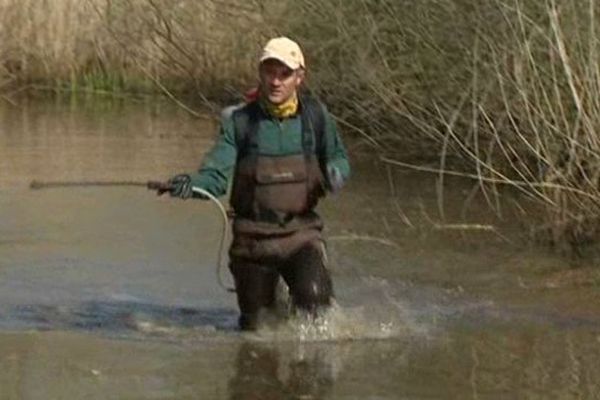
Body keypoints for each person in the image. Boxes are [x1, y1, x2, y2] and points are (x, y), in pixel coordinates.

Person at [167, 37, 350, 330]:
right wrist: (192, 184)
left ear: (299, 77)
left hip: (301, 236)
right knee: (257, 329)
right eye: (269, 72)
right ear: (260, 74)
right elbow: (215, 176)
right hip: (252, 242)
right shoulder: (237, 122)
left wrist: (336, 171)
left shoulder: (317, 118)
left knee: (316, 306)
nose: (275, 81)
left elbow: (339, 157)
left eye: (284, 74)